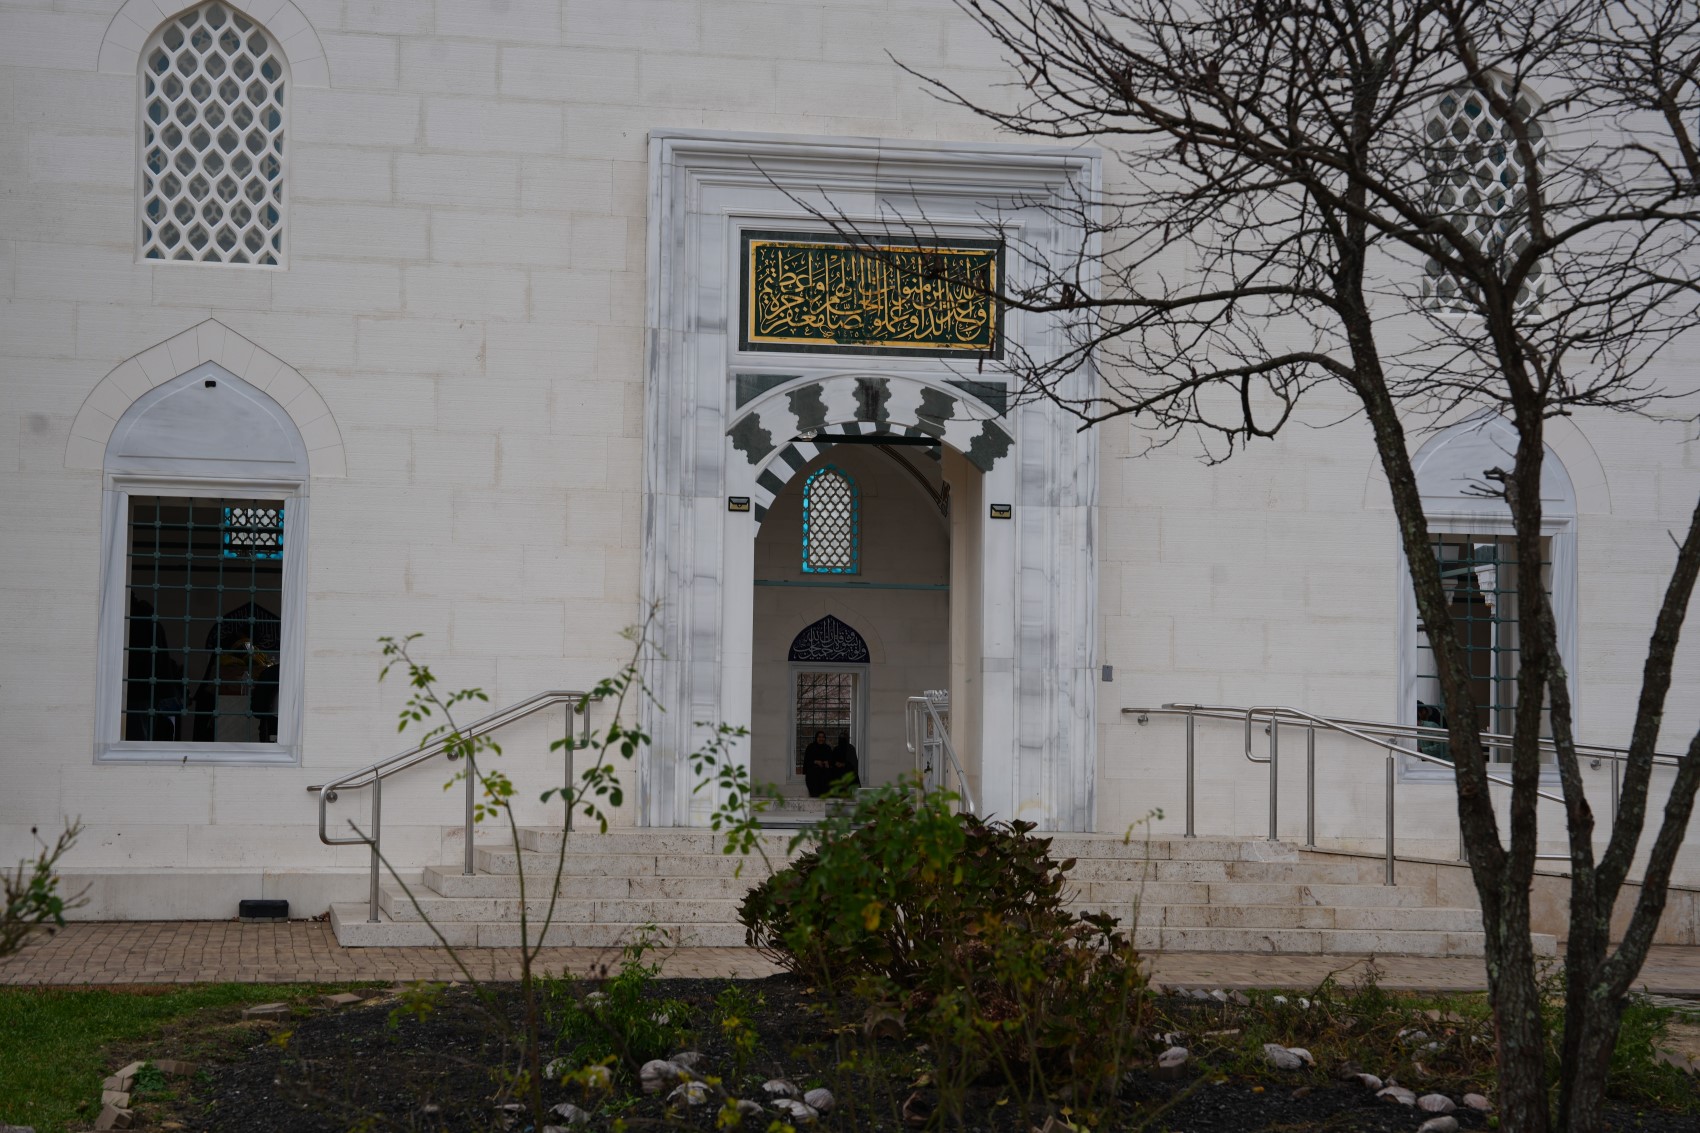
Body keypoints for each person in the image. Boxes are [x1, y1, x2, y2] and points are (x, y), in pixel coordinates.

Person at [803, 730, 836, 797]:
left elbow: (832, 761)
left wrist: (827, 763)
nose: (821, 739)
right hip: (813, 772)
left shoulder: (827, 748)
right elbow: (807, 760)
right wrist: (815, 761)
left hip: (824, 772)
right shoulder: (811, 747)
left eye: (823, 737)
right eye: (819, 737)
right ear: (816, 738)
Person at [830, 730, 861, 795]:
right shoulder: (836, 749)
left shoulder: (851, 748)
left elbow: (853, 762)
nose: (842, 740)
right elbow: (832, 760)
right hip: (836, 771)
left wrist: (844, 764)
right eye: (841, 738)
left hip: (848, 770)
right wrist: (836, 763)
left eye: (844, 738)